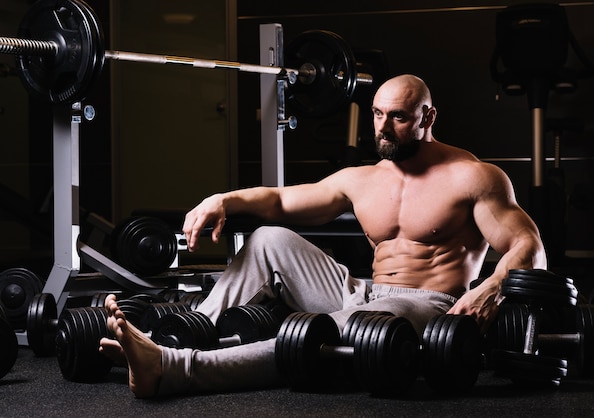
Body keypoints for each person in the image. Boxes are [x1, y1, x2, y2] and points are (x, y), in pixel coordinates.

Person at [101, 74, 547, 398]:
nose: (383, 128)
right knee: (268, 239)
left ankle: (171, 368)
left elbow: (530, 246)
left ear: (428, 116)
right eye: (376, 114)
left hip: (426, 302)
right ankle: (178, 337)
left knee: (326, 332)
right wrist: (224, 199)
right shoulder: (363, 178)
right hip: (364, 293)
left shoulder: (473, 177)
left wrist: (493, 286)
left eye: (397, 117)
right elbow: (279, 200)